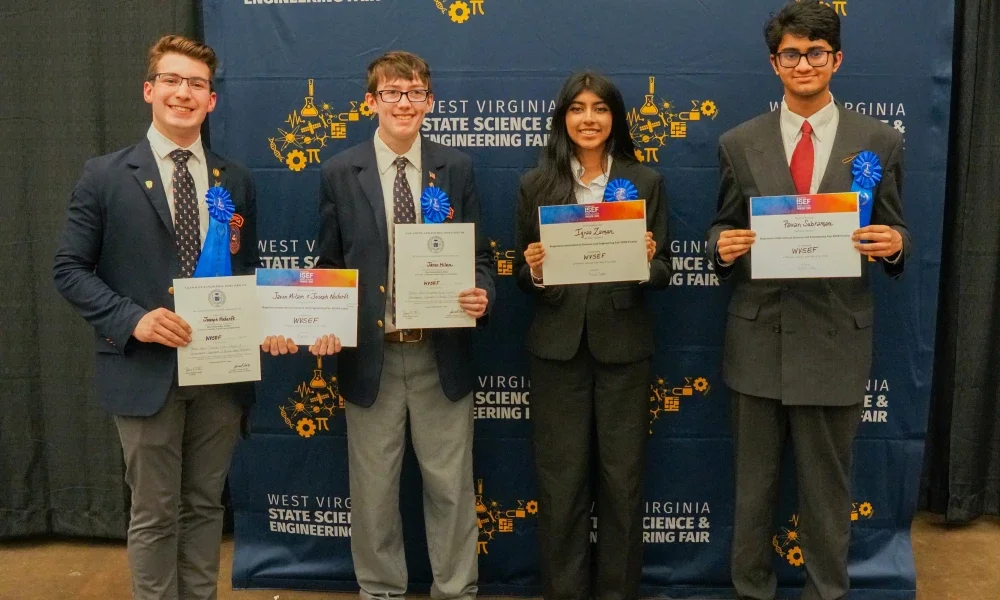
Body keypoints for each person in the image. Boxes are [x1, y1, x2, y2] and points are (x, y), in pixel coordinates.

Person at [262, 51, 495, 600]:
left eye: (416, 93)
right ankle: (381, 590)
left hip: (442, 351)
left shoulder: (455, 168)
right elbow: (329, 264)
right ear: (372, 102)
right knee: (372, 492)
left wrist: (483, 291)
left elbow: (480, 256)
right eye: (392, 92)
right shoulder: (340, 172)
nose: (405, 103)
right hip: (371, 355)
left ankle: (456, 591)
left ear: (430, 103)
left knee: (451, 488)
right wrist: (316, 320)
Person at [705, 3, 910, 599]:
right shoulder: (739, 142)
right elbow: (721, 224)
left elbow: (897, 234)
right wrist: (724, 245)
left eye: (815, 52)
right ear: (775, 64)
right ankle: (751, 590)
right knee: (754, 490)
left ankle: (828, 592)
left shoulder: (879, 141)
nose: (804, 63)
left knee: (827, 493)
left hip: (833, 339)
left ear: (836, 60)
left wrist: (894, 244)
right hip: (758, 337)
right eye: (791, 53)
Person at [53, 35, 259, 600]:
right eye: (172, 80)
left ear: (212, 100)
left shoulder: (234, 180)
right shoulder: (104, 174)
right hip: (145, 369)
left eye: (197, 84)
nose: (184, 93)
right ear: (150, 90)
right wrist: (133, 319)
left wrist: (271, 322)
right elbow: (69, 269)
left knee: (204, 507)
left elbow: (250, 271)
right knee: (153, 511)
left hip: (219, 373)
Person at [512, 71, 670, 600]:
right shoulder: (537, 184)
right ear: (562, 119)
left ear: (614, 118)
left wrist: (646, 261)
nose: (588, 119)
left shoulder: (644, 182)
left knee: (622, 482)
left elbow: (665, 270)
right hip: (557, 349)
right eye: (577, 109)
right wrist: (533, 268)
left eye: (599, 109)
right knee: (561, 484)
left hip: (624, 347)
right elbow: (520, 272)